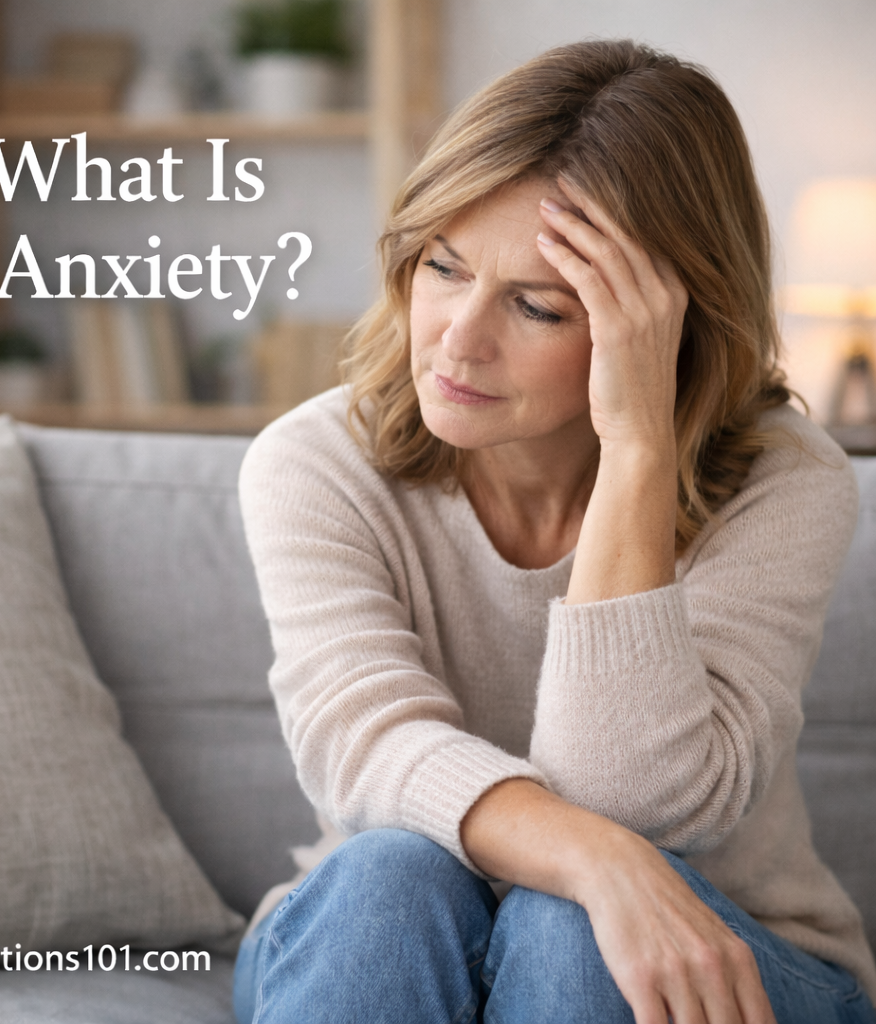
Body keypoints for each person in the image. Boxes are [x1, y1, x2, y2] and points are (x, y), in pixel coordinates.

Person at [233, 39, 876, 1024]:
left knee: (566, 932)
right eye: (442, 267)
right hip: (388, 928)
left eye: (535, 306)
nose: (455, 338)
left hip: (723, 953)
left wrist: (636, 452)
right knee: (388, 879)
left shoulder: (785, 483)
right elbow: (365, 754)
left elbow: (645, 805)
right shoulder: (315, 464)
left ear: (667, 326)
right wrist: (589, 857)